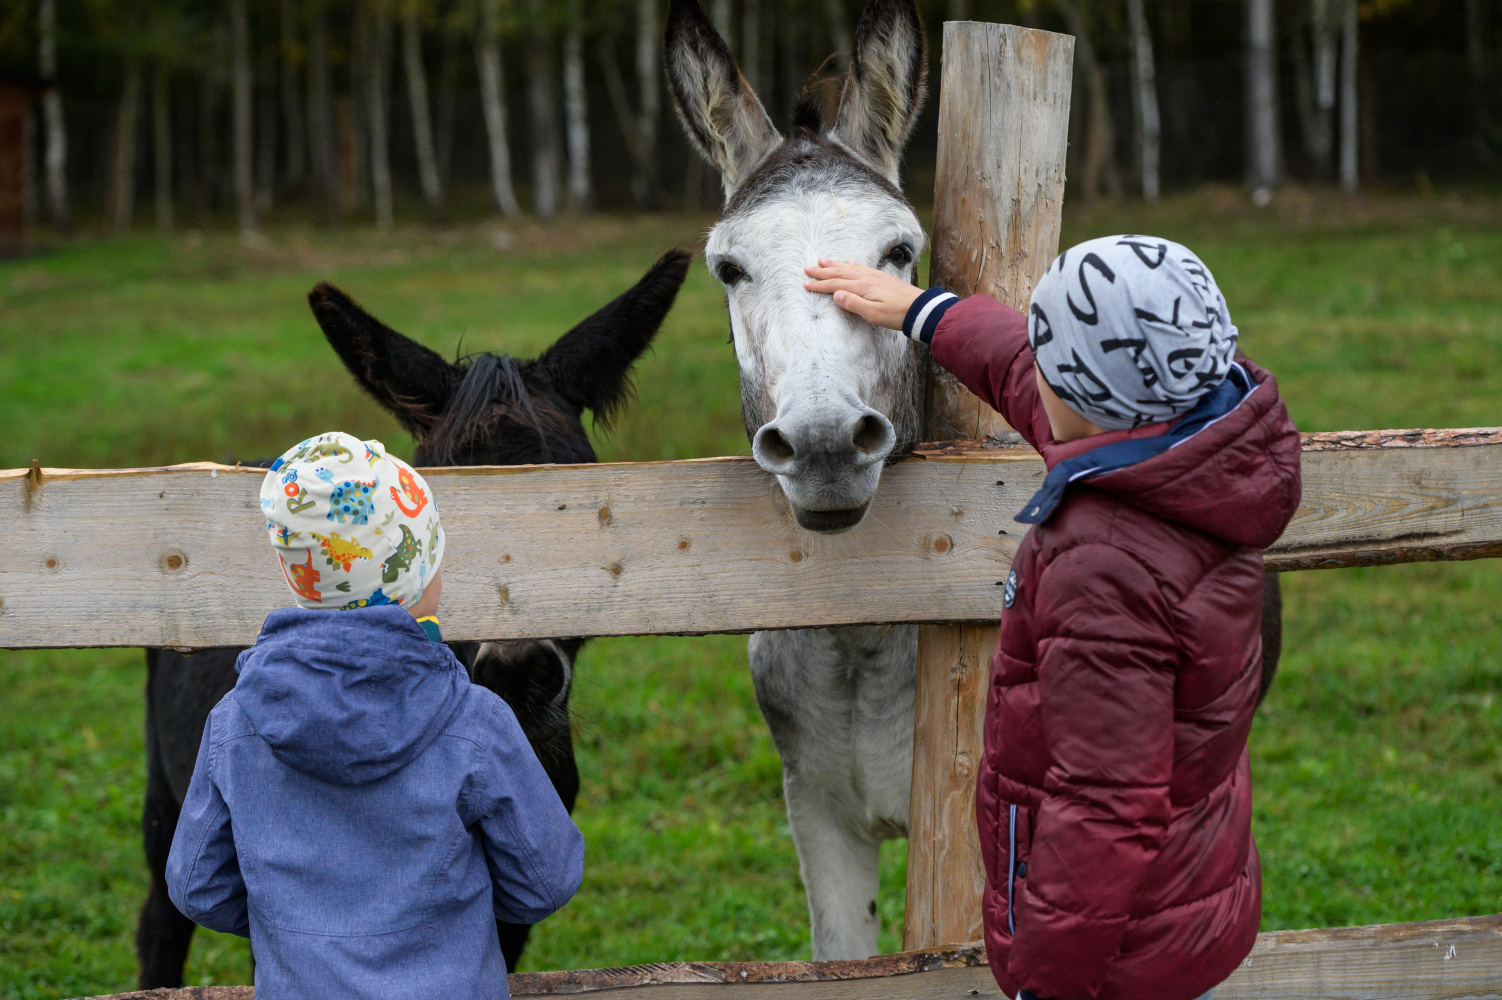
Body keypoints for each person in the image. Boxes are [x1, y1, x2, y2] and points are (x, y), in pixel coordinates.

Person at [805, 237, 1302, 1000]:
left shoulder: (1106, 567)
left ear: (1082, 395)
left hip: (1112, 959)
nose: (1032, 377)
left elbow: (1106, 807)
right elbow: (1020, 366)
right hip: (1191, 898)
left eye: (1049, 362)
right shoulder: (1191, 454)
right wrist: (923, 312)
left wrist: (1048, 982)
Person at [167, 430, 583, 1000]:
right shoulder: (475, 723)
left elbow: (196, 885)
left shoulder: (236, 723)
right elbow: (546, 879)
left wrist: (296, 925)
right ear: (419, 574)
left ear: (300, 578)